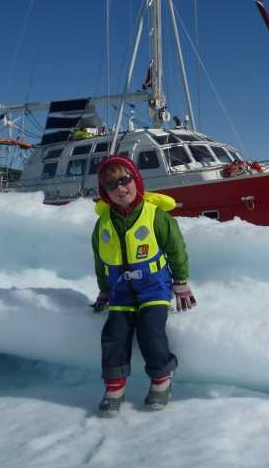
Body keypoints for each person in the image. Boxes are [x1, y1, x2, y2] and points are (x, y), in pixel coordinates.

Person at [90, 155, 196, 416]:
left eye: (124, 180)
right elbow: (100, 259)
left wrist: (180, 282)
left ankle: (162, 379)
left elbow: (176, 250)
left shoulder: (156, 216)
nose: (120, 189)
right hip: (120, 291)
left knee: (150, 331)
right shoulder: (103, 223)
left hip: (154, 287)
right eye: (111, 185)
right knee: (113, 333)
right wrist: (104, 289)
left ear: (136, 180)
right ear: (105, 192)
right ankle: (114, 386)